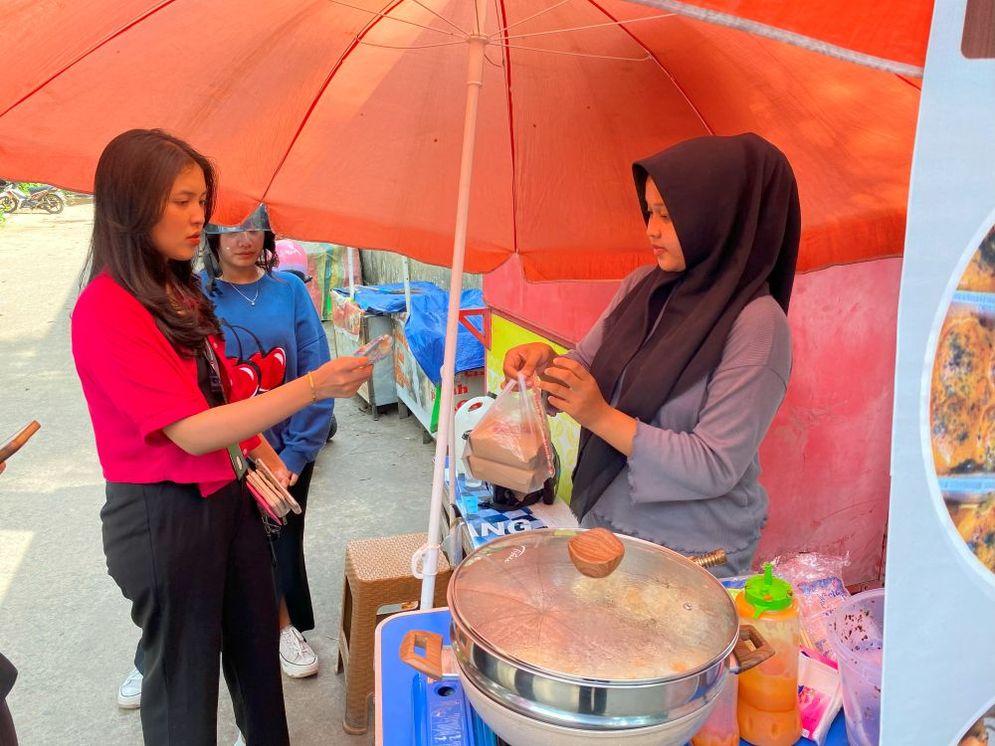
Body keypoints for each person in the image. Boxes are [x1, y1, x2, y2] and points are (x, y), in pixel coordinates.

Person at [72, 128, 372, 745]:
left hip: (229, 498)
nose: (200, 216)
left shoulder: (177, 290)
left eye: (200, 200)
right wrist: (313, 387)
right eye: (182, 200)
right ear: (131, 204)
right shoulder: (108, 309)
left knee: (258, 658)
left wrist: (265, 458)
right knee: (184, 688)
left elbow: (218, 392)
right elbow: (190, 431)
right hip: (164, 515)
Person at [503, 133, 799, 576]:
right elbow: (587, 366)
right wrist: (546, 368)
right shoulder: (643, 286)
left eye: (667, 215)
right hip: (606, 529)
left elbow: (714, 464)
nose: (651, 229)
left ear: (719, 219)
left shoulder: (758, 324)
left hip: (692, 554)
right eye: (649, 211)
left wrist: (600, 416)